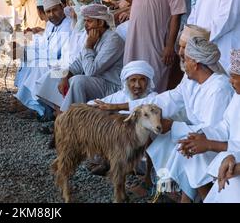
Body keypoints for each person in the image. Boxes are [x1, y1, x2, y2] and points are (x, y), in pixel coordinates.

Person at [97, 34, 233, 202]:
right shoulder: (190, 81)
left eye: (186, 59)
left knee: (183, 149)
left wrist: (174, 126)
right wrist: (119, 106)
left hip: (216, 144)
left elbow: (212, 131)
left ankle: (192, 197)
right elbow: (163, 100)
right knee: (162, 141)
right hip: (193, 133)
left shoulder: (219, 88)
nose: (182, 62)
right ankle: (171, 190)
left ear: (196, 64)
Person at [177, 48, 240, 203]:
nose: (230, 81)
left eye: (234, 77)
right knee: (193, 148)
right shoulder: (238, 97)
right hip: (233, 153)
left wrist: (210, 144)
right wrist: (201, 137)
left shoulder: (221, 88)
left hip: (235, 156)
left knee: (231, 179)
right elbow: (225, 125)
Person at [52, 4, 124, 113]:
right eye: (85, 21)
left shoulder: (113, 40)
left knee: (78, 81)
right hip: (98, 83)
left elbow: (91, 71)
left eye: (89, 21)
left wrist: (89, 46)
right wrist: (64, 77)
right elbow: (77, 65)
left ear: (100, 22)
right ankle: (58, 114)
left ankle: (70, 118)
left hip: (111, 86)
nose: (85, 25)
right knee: (58, 72)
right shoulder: (94, 38)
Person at [13, 0, 72, 120]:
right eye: (48, 12)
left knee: (37, 66)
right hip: (50, 59)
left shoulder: (68, 25)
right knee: (27, 60)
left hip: (63, 63)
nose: (52, 14)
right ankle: (36, 107)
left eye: (55, 10)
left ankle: (44, 110)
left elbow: (56, 52)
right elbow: (45, 44)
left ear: (62, 7)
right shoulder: (51, 24)